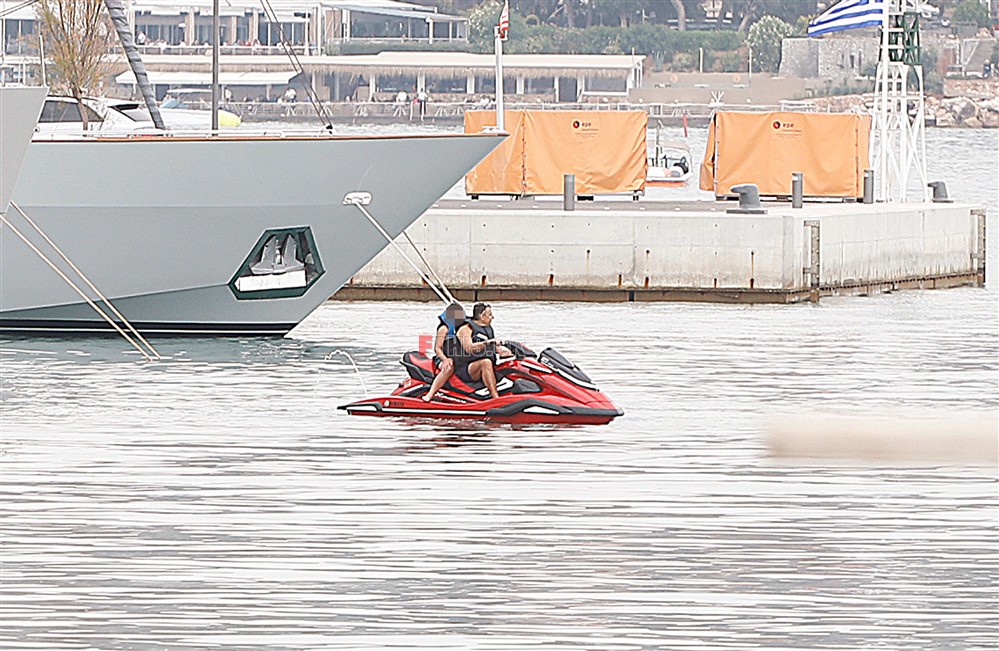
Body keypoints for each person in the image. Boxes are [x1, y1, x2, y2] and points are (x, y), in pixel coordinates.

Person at [453, 303, 510, 400]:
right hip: (466, 368)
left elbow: (497, 350)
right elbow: (468, 348)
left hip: (480, 366)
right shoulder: (465, 329)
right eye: (490, 315)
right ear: (482, 316)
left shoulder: (488, 329)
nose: (493, 317)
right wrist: (487, 342)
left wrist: (509, 353)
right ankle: (495, 398)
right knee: (486, 362)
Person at [422, 302, 465, 403]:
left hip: (455, 357)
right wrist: (445, 359)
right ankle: (430, 394)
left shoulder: (460, 328)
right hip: (442, 357)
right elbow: (437, 348)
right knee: (448, 368)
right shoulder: (444, 329)